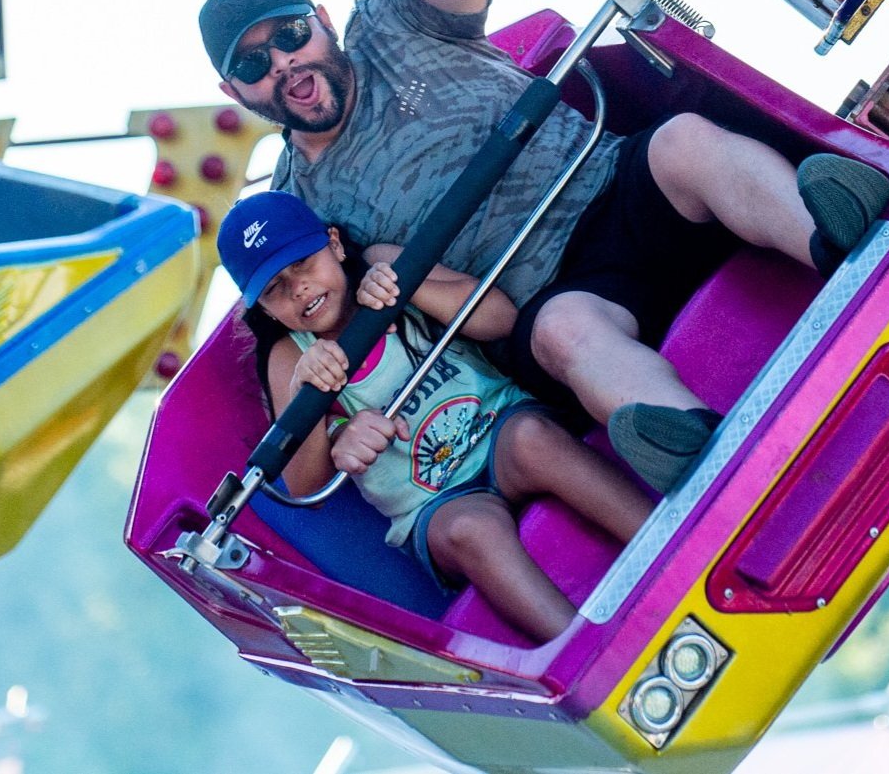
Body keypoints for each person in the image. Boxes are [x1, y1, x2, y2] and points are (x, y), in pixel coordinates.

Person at [198, 0, 889, 493]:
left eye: (290, 35)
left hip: (615, 185)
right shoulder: (293, 208)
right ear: (235, 92)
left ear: (321, 19)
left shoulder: (388, 27)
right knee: (568, 332)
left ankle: (841, 234)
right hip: (543, 296)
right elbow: (303, 320)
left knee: (683, 141)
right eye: (253, 64)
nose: (282, 62)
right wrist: (332, 421)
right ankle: (702, 452)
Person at [220, 190, 652, 644]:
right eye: (274, 289)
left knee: (534, 438)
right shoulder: (291, 357)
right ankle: (582, 649)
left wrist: (408, 287)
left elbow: (501, 319)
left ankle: (666, 540)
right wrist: (312, 402)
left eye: (303, 263)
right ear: (263, 308)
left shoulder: (384, 263)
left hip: (497, 431)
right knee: (472, 531)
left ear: (334, 244)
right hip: (430, 503)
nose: (298, 288)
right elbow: (305, 486)